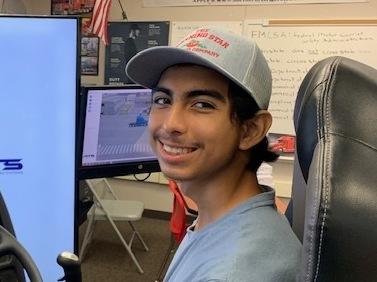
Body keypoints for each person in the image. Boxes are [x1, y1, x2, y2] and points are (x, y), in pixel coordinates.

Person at [126, 27, 301, 282]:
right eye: (163, 100)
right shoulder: (222, 218)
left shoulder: (234, 273)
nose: (171, 124)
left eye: (202, 104)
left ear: (250, 130)